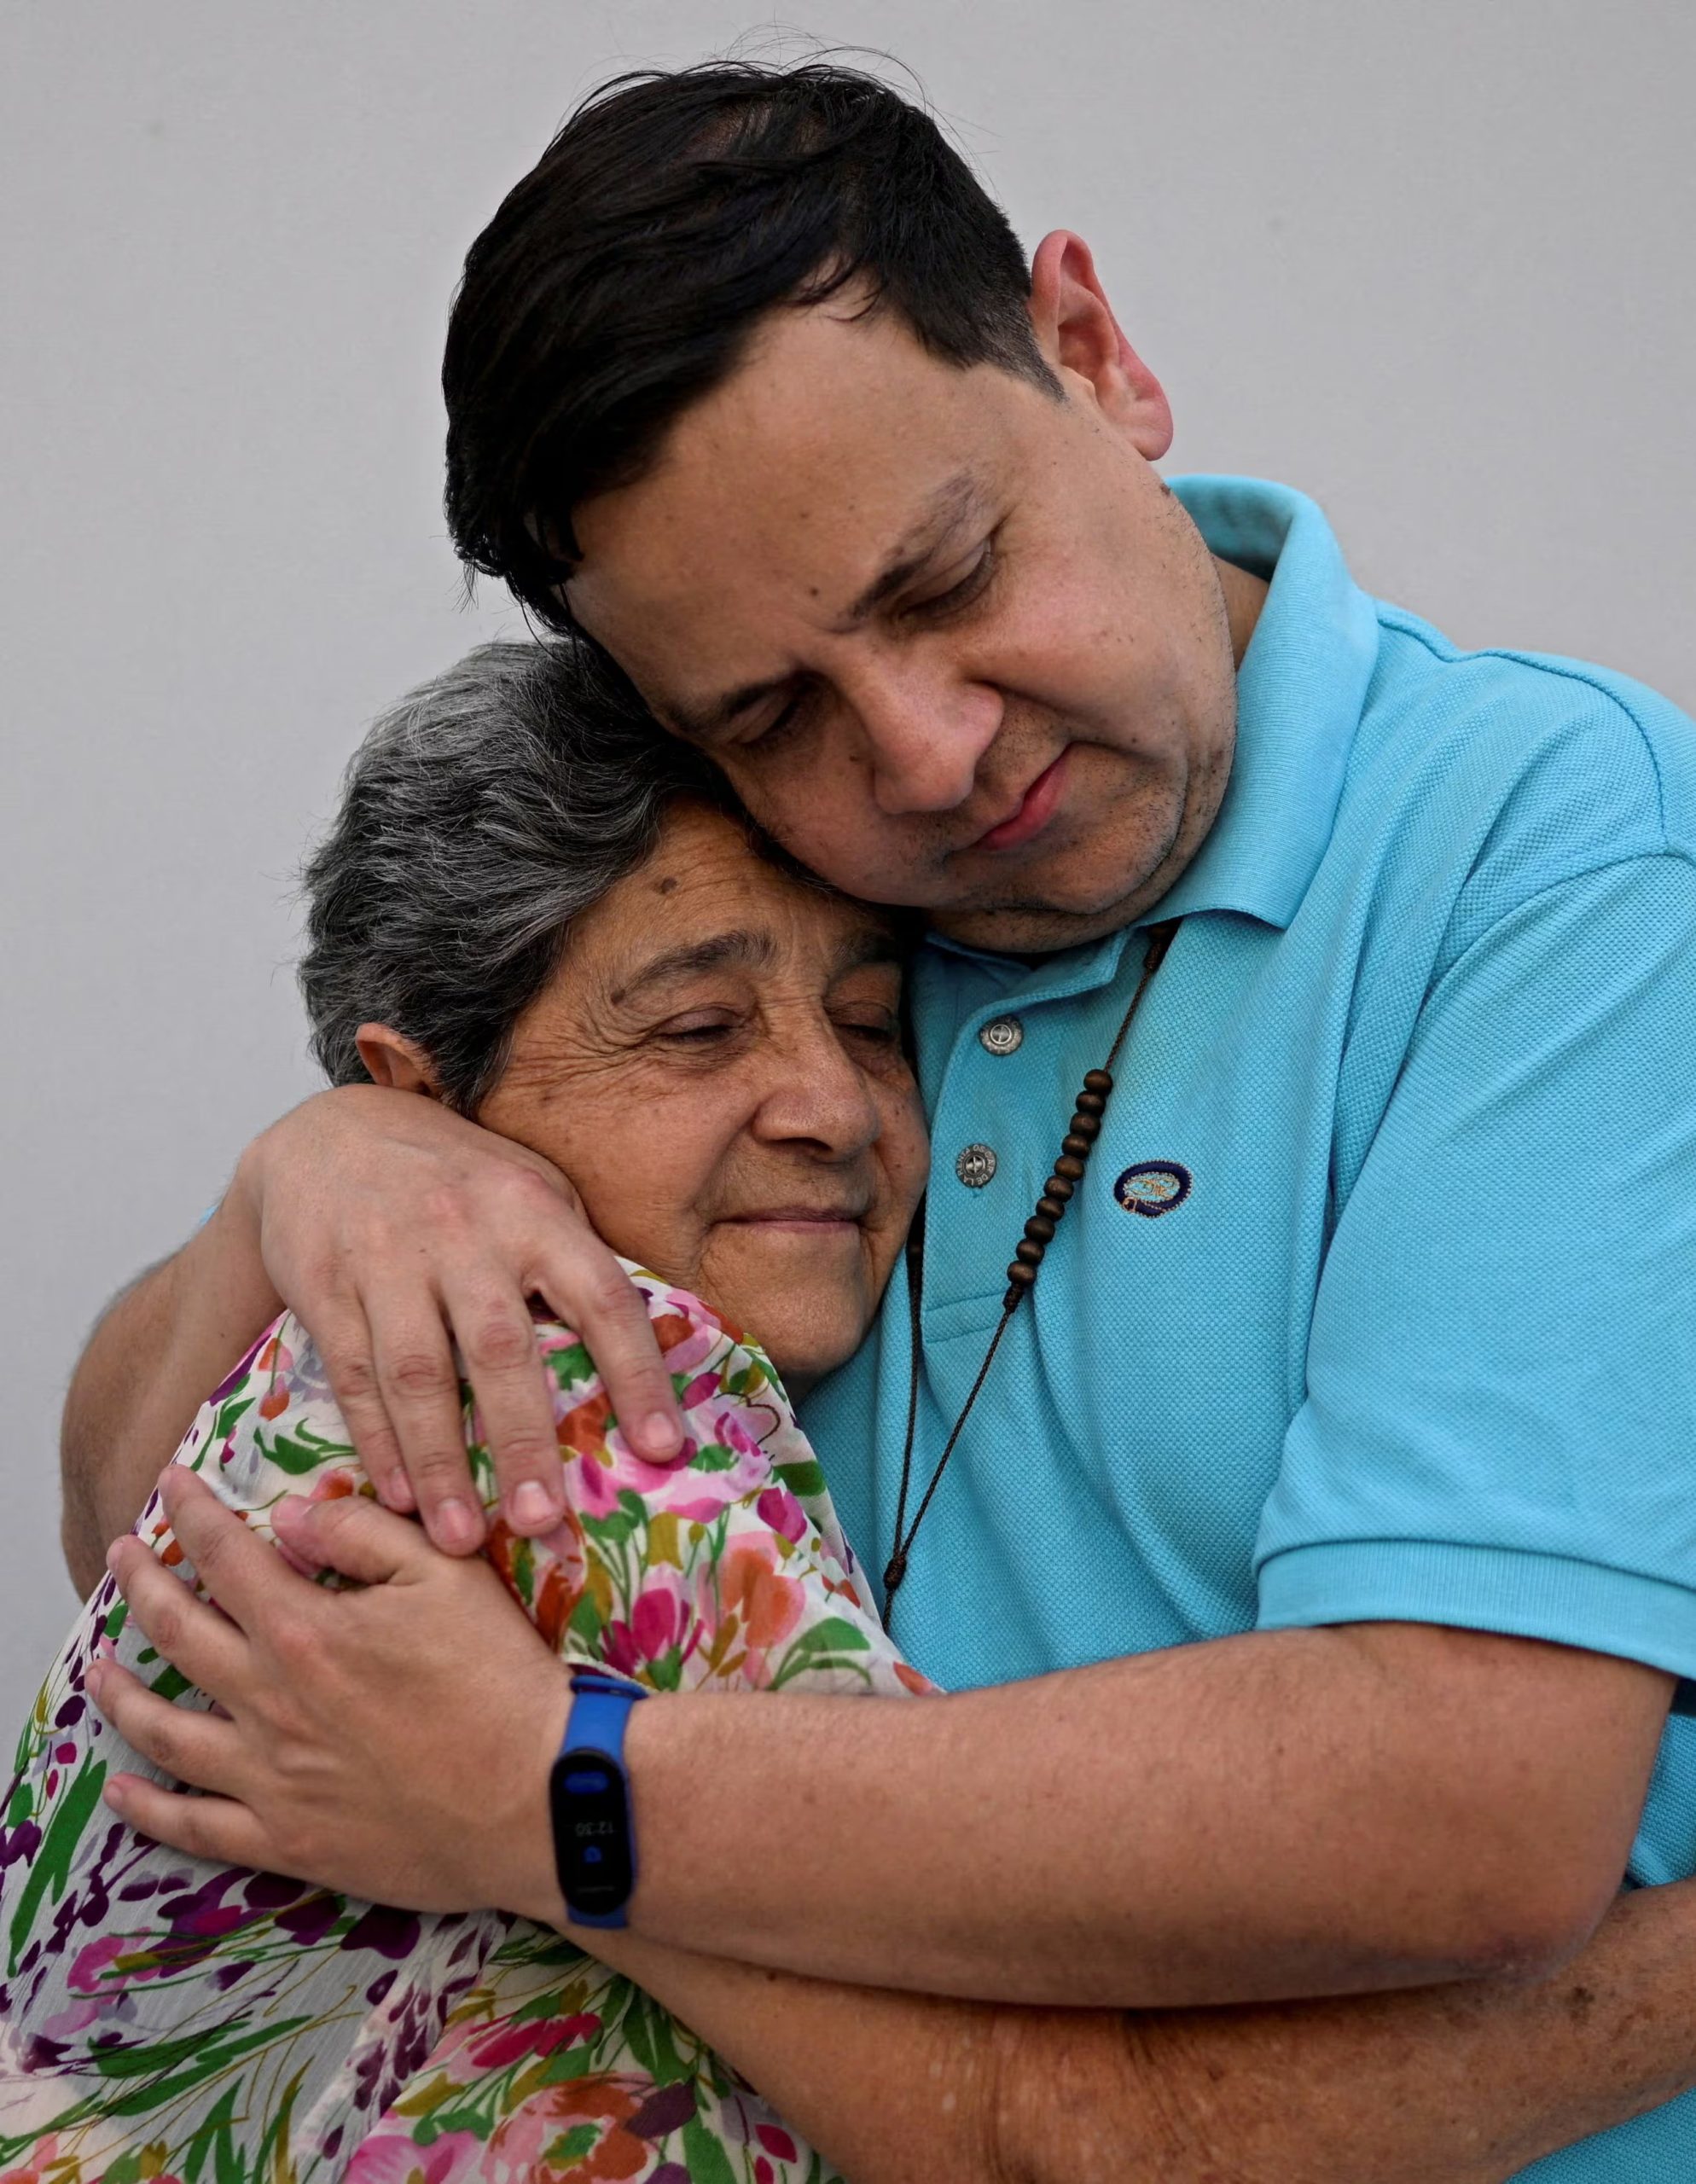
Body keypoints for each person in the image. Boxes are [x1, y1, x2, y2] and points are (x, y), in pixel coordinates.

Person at [60, 61, 1696, 2179]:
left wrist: (551, 1791)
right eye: (774, 709)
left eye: (944, 578)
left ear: (1096, 359)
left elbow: (1464, 1806)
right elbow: (140, 1535)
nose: (923, 759)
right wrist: (305, 1183)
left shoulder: (1555, 864)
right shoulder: (786, 899)